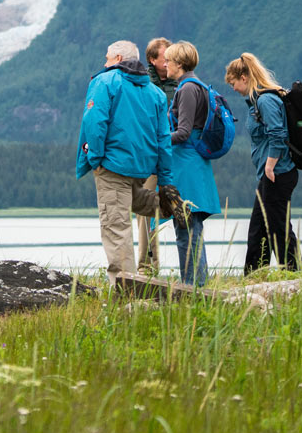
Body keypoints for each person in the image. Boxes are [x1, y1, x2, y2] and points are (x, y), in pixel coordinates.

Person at [76, 39, 175, 277]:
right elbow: (164, 137)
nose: (105, 62)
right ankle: (169, 206)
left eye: (108, 57)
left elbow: (95, 122)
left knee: (115, 225)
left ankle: (125, 290)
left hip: (111, 164)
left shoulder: (104, 82)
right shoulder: (155, 93)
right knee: (134, 200)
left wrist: (95, 159)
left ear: (119, 59)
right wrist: (166, 179)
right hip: (141, 167)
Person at [225, 52, 299, 274]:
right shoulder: (257, 102)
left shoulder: (265, 100)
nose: (233, 88)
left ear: (244, 78)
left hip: (278, 172)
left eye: (233, 83)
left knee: (278, 227)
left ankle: (294, 273)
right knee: (258, 228)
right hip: (270, 174)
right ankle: (254, 274)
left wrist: (269, 165)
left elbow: (278, 134)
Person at [160, 41, 221, 286]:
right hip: (194, 163)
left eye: (168, 60)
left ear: (180, 63)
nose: (165, 65)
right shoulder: (199, 86)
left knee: (186, 228)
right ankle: (196, 285)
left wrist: (158, 141)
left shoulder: (186, 90)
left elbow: (183, 132)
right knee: (190, 228)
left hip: (186, 165)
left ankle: (192, 287)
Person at [137, 37, 177, 275]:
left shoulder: (179, 82)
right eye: (165, 57)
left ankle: (187, 267)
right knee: (146, 213)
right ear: (152, 60)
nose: (169, 62)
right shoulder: (143, 86)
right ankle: (147, 267)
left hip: (174, 155)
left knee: (182, 209)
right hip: (150, 159)